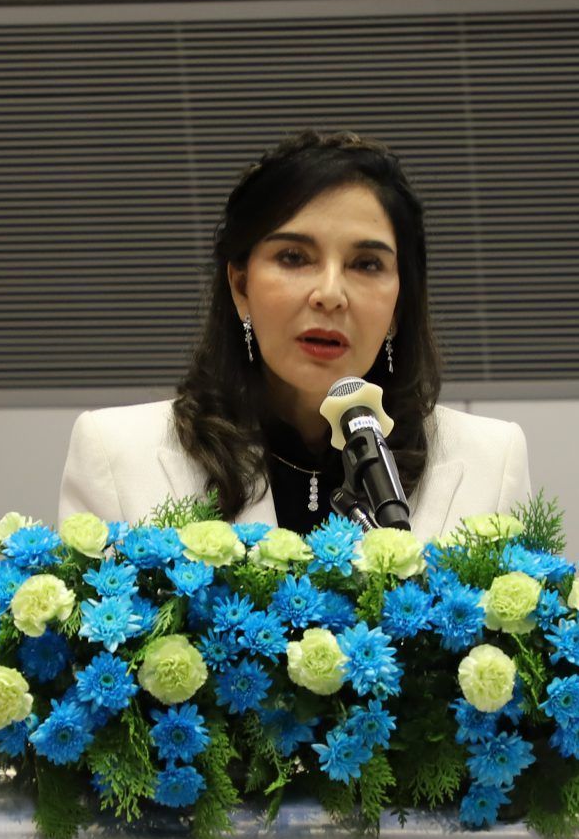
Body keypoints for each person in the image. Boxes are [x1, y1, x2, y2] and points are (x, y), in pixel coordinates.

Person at [57, 130, 530, 536]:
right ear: (241, 285)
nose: (330, 294)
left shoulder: (491, 461)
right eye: (294, 257)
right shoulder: (117, 453)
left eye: (366, 264)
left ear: (398, 306)